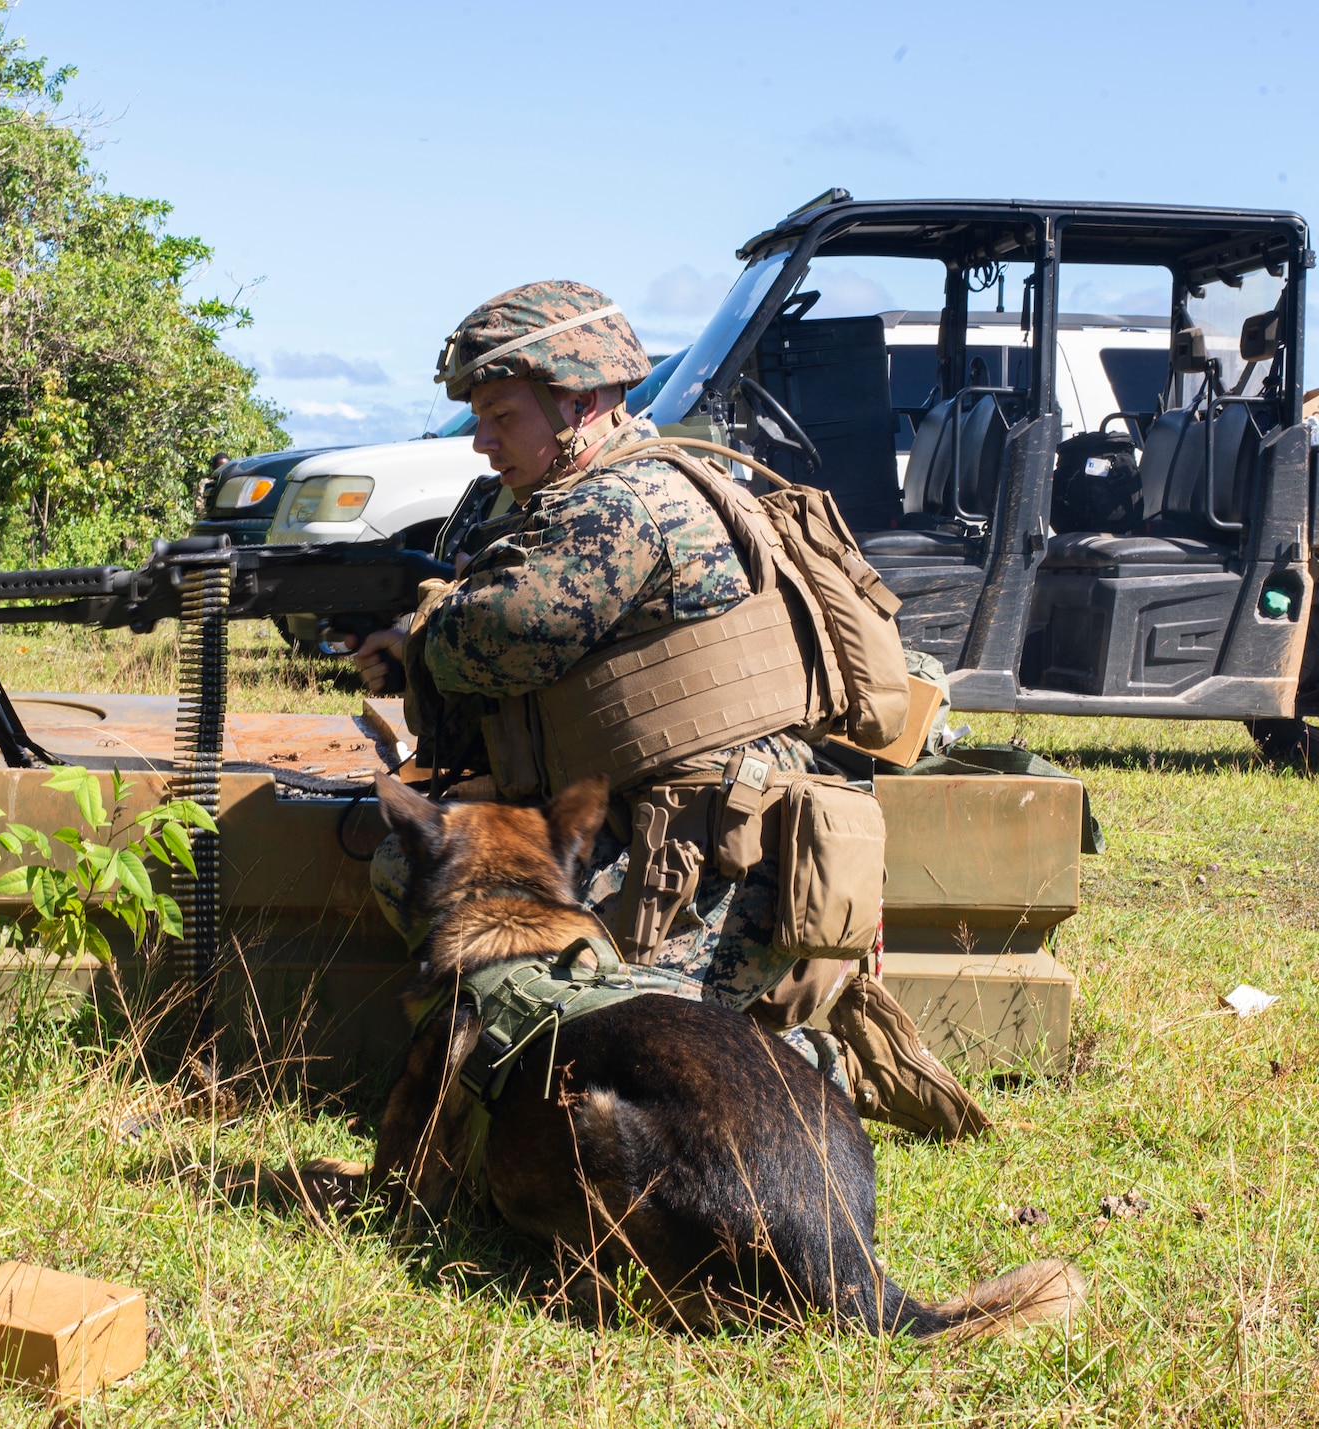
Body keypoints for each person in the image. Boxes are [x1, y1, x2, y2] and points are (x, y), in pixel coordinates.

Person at [349, 280, 989, 1141]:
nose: (481, 438)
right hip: (670, 822)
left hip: (707, 856)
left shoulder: (622, 507)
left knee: (619, 1042)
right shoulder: (597, 491)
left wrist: (418, 623)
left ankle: (808, 1069)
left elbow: (497, 638)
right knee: (424, 872)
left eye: (501, 412)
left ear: (578, 401)